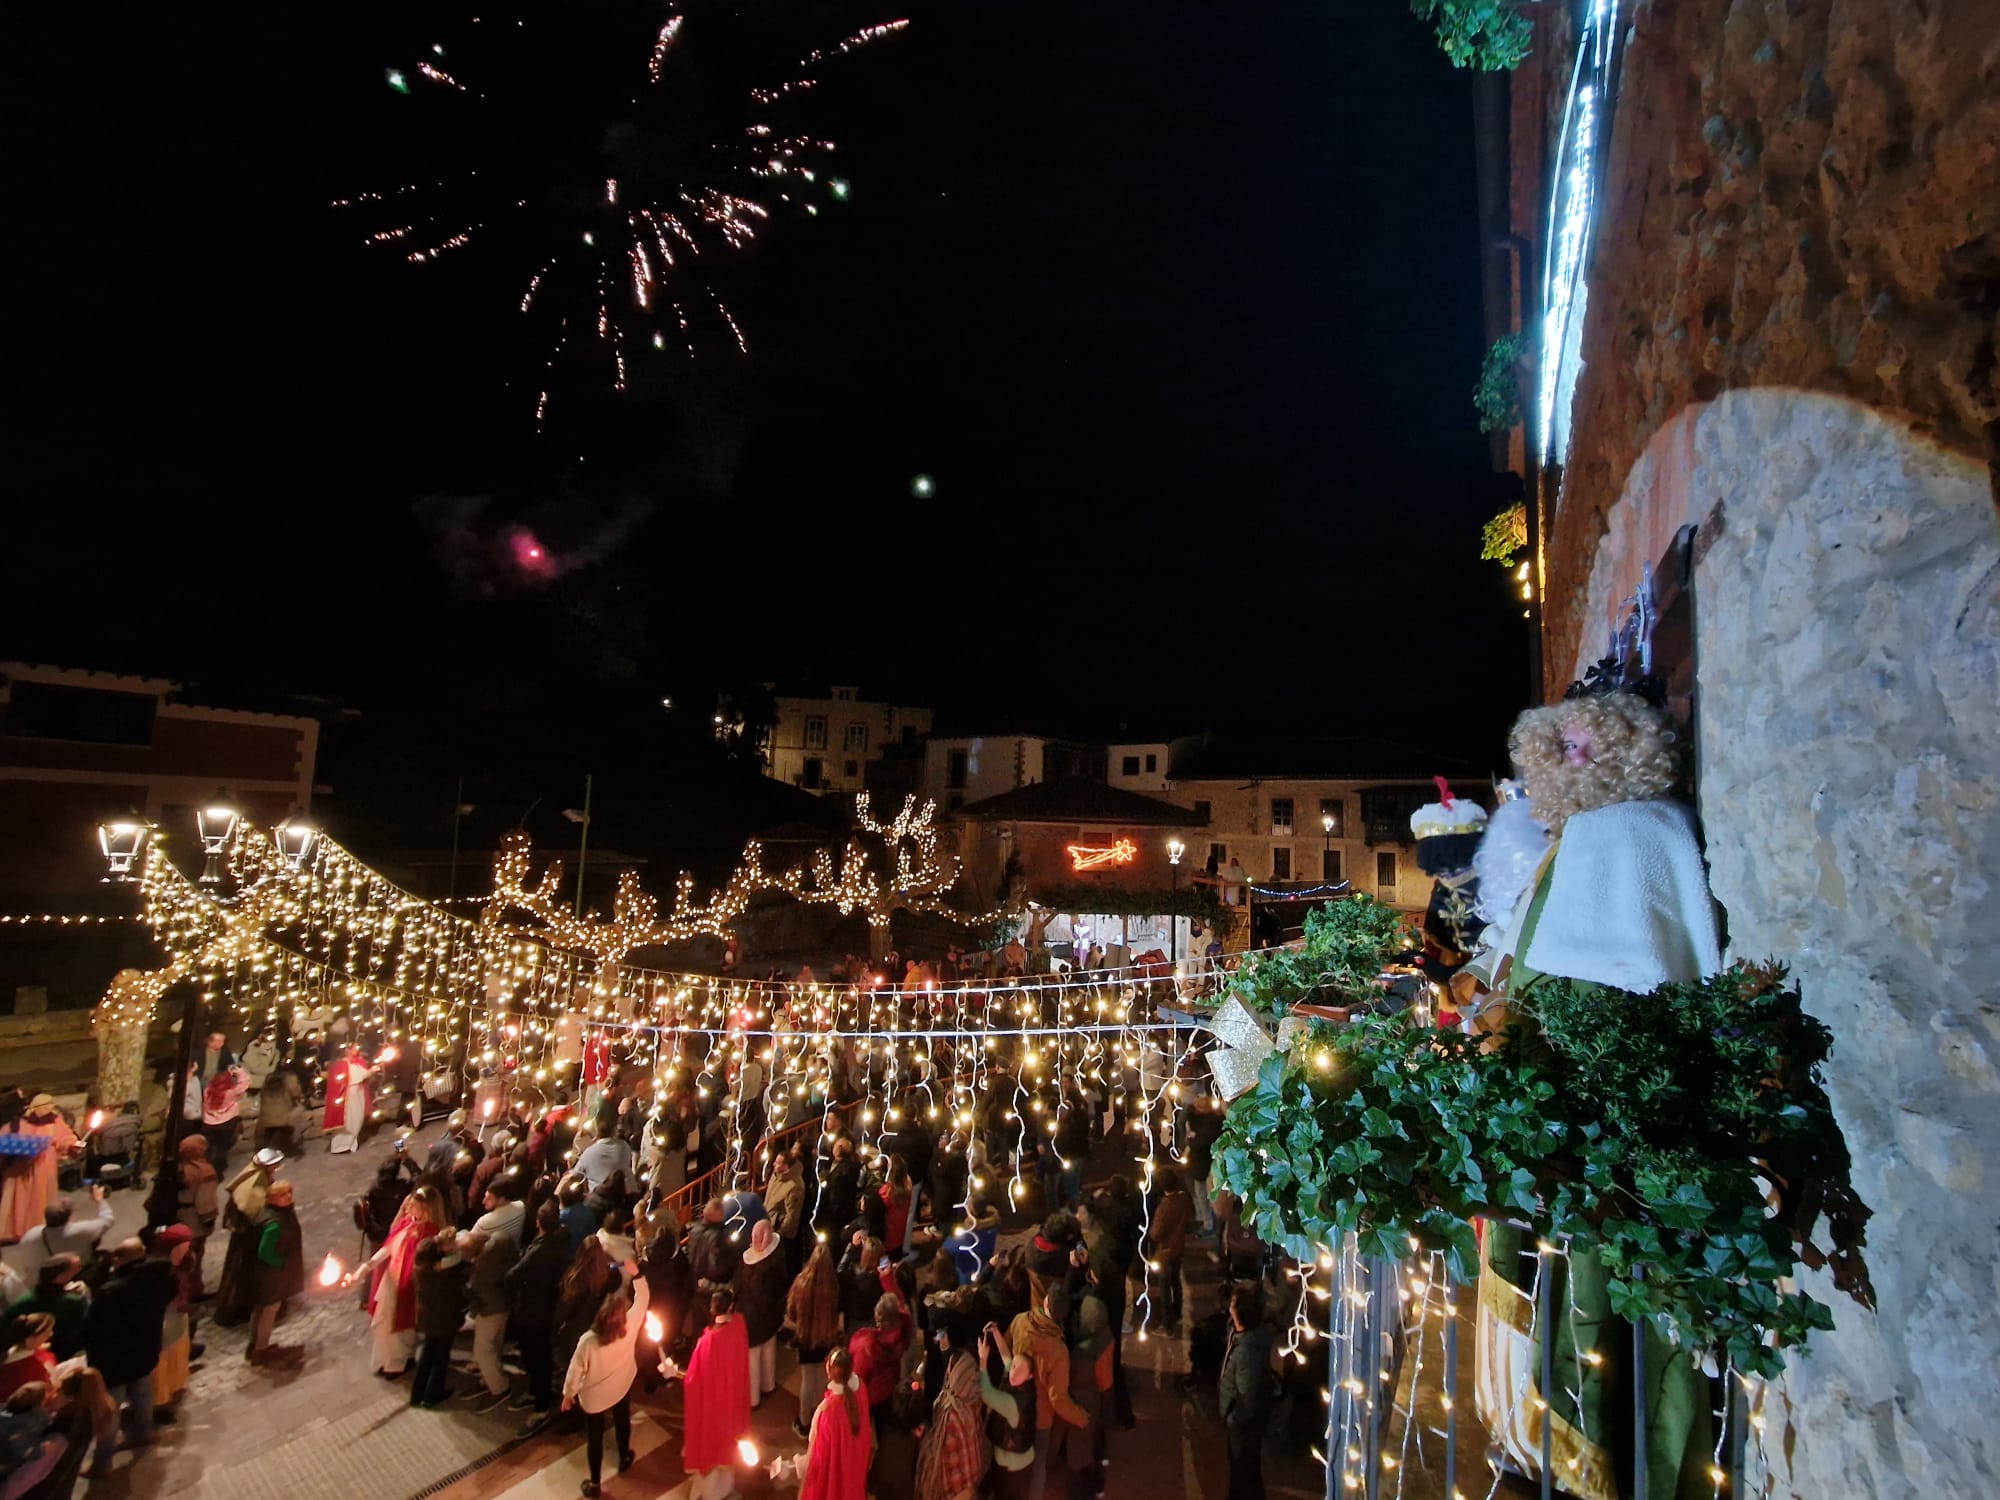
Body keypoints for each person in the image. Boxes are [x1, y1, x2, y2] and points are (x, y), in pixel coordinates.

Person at [562, 1256, 648, 1497]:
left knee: (595, 1436)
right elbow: (643, 1299)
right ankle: (624, 1457)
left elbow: (575, 1370)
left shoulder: (588, 1341)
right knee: (622, 1421)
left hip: (595, 1396)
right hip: (621, 1384)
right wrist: (637, 1275)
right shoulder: (630, 1325)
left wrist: (568, 1394)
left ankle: (595, 1482)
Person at [82, 1238, 175, 1454]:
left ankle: (103, 1458)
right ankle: (144, 1434)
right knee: (143, 1395)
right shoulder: (160, 1278)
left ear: (119, 1259)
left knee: (109, 1409)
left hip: (114, 1359)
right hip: (145, 1349)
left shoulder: (110, 1291)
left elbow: (91, 1326)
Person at [1005, 1284, 1089, 1500]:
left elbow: (1007, 1351)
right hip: (1041, 1416)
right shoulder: (1058, 1350)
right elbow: (1057, 1398)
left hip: (1015, 1408)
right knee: (1038, 1465)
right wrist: (1081, 1417)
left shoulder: (1021, 1321)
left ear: (1045, 1302)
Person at [366, 1182, 448, 1376]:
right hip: (391, 1282)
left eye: (412, 1206)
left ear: (425, 1208)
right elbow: (389, 1247)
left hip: (408, 1288)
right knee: (383, 1325)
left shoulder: (431, 1233)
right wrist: (368, 1266)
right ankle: (386, 1359)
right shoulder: (407, 1222)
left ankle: (398, 1362)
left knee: (401, 1331)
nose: (407, 1209)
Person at [679, 1287, 751, 1500]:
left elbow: (693, 1380)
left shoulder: (707, 1342)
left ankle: (709, 1492)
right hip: (733, 1401)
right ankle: (725, 1488)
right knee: (727, 1450)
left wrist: (677, 1372)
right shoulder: (739, 1325)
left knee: (709, 1449)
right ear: (730, 1307)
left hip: (712, 1406)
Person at [505, 1199, 571, 1416]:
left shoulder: (539, 1252)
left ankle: (540, 1402)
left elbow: (513, 1277)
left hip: (533, 1310)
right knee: (541, 1353)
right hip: (547, 1307)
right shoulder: (561, 1241)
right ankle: (539, 1391)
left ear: (538, 1223)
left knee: (535, 1356)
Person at [1217, 1285, 1277, 1500]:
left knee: (1245, 1470)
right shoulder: (1246, 1337)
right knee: (1243, 1469)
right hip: (1244, 1422)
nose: (1229, 1308)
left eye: (1233, 1305)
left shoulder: (1246, 1352)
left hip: (1243, 1425)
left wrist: (1233, 1418)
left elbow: (1247, 1396)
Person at [214, 1146, 283, 1325]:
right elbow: (253, 1209)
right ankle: (241, 1308)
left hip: (245, 1233)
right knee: (244, 1273)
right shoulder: (253, 1186)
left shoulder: (256, 1177)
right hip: (248, 1236)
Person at [784, 1238, 845, 1442]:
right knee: (823, 1380)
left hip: (805, 1338)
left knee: (807, 1380)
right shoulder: (834, 1286)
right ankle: (821, 1420)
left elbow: (791, 1312)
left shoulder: (801, 1284)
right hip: (826, 1337)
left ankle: (804, 1422)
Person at [0, 1097, 80, 1245]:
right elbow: (6, 1136)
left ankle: (39, 1228)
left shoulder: (55, 1121)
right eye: (46, 1105)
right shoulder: (20, 1121)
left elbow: (66, 1137)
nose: (50, 1108)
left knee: (41, 1198)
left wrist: (76, 1144)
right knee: (19, 1200)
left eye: (51, 1105)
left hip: (44, 1167)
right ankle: (17, 1231)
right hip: (21, 1167)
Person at [799, 1346, 874, 1500]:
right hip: (854, 1467)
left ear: (829, 1371)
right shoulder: (860, 1388)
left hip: (836, 1475)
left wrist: (798, 1465)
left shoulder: (827, 1411)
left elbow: (819, 1457)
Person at [915, 1347, 989, 1500]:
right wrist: (983, 1360)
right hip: (973, 1479)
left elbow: (941, 1452)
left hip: (954, 1487)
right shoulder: (974, 1397)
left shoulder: (949, 1409)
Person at [246, 1179, 305, 1364]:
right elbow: (265, 1251)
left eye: (289, 1192)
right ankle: (261, 1349)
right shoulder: (274, 1223)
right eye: (282, 1195)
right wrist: (281, 1264)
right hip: (271, 1274)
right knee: (269, 1310)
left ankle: (255, 1345)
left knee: (262, 1308)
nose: (288, 1197)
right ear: (272, 1199)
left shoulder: (273, 1215)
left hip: (267, 1272)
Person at [409, 1234, 469, 1409]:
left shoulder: (420, 1269)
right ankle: (433, 1395)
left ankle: (417, 1393)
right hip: (444, 1319)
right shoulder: (442, 1273)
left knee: (427, 1353)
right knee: (441, 1357)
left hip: (427, 1318)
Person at [977, 1326, 1036, 1500]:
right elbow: (1007, 1358)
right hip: (1016, 1459)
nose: (1013, 1371)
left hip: (1012, 1468)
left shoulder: (1012, 1403)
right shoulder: (1023, 1386)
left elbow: (986, 1392)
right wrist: (996, 1332)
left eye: (1020, 1370)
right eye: (1014, 1366)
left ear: (1030, 1376)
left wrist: (982, 1361)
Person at [464, 1225, 518, 1411]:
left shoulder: (482, 1271)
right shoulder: (504, 1249)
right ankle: (487, 1378)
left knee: (483, 1350)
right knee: (495, 1345)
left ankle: (499, 1387)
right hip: (503, 1306)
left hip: (490, 1310)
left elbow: (475, 1291)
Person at [149, 1226, 199, 1423]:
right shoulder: (159, 1271)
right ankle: (160, 1404)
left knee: (177, 1355)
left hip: (177, 1320)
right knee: (162, 1365)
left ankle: (175, 1389)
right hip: (163, 1324)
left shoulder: (185, 1262)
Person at [735, 1220, 786, 1408]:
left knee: (752, 1359)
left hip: (751, 1318)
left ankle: (753, 1399)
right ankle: (768, 1385)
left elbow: (739, 1287)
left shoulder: (747, 1263)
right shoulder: (778, 1254)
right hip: (771, 1316)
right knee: (768, 1351)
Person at [12, 1190, 114, 1279]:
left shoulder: (30, 1234)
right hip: (75, 1272)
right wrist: (99, 1199)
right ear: (68, 1216)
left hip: (41, 1277)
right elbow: (107, 1220)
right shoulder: (80, 1230)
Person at [1144, 1168, 1194, 1326]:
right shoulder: (1183, 1199)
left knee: (1165, 1288)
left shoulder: (1164, 1207)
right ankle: (1178, 1313)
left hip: (1164, 1251)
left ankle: (1167, 1324)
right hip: (1178, 1246)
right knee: (1176, 1282)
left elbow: (1155, 1233)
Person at [174, 1137, 220, 1282]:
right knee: (194, 1256)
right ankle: (193, 1289)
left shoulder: (178, 1168)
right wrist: (209, 1221)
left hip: (177, 1216)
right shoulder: (204, 1171)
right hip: (194, 1221)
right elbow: (204, 1200)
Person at [200, 1060, 251, 1174]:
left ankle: (208, 1168)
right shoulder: (230, 1092)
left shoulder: (207, 1091)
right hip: (226, 1123)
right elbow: (246, 1082)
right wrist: (238, 1071)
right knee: (222, 1148)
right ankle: (218, 1171)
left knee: (210, 1148)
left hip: (209, 1123)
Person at [323, 1045, 373, 1154]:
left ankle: (349, 1144)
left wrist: (371, 1071)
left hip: (356, 1094)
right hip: (349, 1096)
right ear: (347, 1051)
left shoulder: (354, 1063)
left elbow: (362, 1075)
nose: (357, 1050)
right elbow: (356, 1077)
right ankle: (341, 1146)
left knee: (356, 1119)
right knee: (351, 1121)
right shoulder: (341, 1065)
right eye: (354, 1048)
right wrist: (371, 1071)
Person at [256, 1061, 305, 1154]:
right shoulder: (290, 1077)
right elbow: (295, 1093)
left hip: (266, 1114)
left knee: (275, 1130)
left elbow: (262, 1094)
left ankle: (271, 1148)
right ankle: (289, 1148)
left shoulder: (269, 1077)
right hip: (283, 1115)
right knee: (297, 1116)